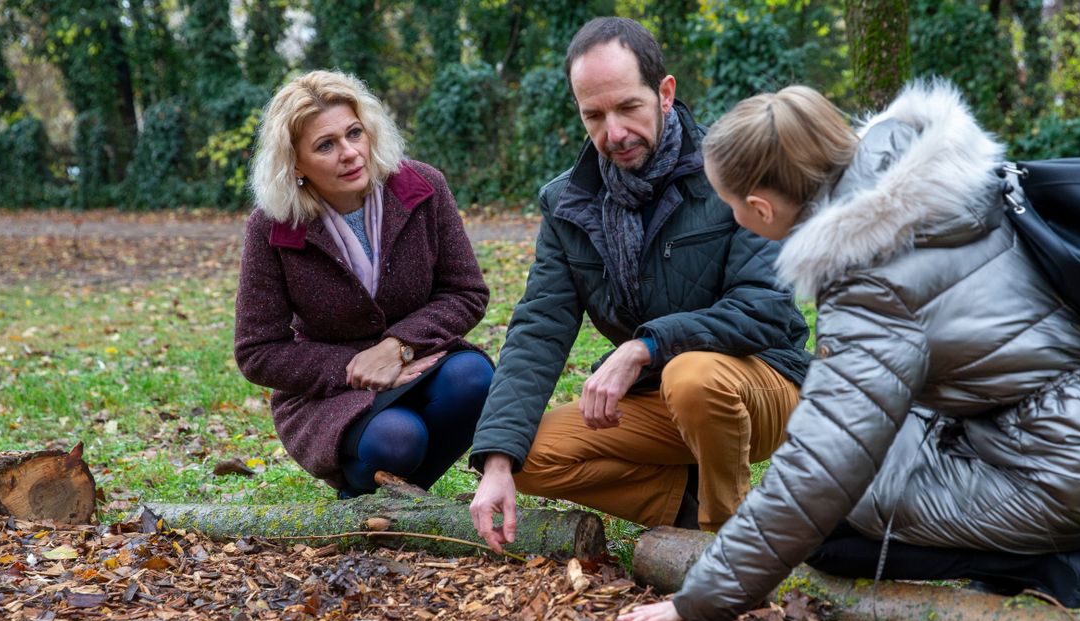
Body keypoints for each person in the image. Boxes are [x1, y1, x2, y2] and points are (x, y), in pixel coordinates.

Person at [618, 81, 1080, 621]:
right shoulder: (922, 184)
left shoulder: (868, 282)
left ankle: (1067, 572)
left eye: (732, 205)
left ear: (761, 207)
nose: (734, 217)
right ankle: (1027, 559)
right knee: (858, 476)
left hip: (1074, 471)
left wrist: (701, 598)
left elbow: (818, 470)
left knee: (830, 529)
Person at [467, 17, 813, 548]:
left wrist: (645, 346)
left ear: (664, 93)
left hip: (761, 383)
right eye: (594, 115)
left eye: (628, 107)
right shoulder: (568, 203)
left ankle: (730, 540)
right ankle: (684, 508)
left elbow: (763, 309)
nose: (615, 133)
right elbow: (538, 328)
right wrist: (495, 459)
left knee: (694, 377)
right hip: (656, 398)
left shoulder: (737, 169)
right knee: (523, 457)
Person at [234, 70, 494, 498]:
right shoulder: (274, 226)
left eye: (354, 133)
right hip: (331, 394)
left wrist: (397, 347)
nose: (350, 152)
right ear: (295, 163)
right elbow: (257, 350)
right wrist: (355, 367)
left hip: (421, 363)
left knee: (475, 379)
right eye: (326, 145)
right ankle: (365, 497)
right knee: (398, 439)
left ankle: (394, 501)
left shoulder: (422, 187)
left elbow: (466, 293)